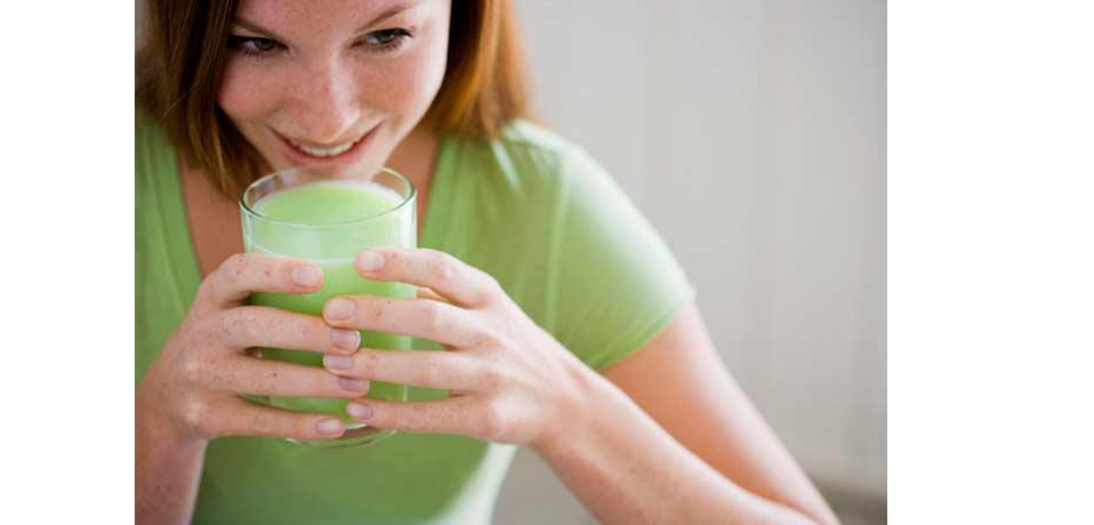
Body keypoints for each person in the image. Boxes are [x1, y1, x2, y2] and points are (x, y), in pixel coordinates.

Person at [135, 0, 840, 523]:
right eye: (255, 43)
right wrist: (161, 421)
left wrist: (565, 407)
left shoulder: (538, 203)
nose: (328, 118)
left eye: (386, 35)